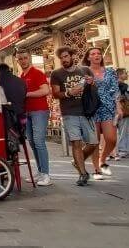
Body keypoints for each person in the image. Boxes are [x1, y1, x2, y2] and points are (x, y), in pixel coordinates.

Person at [50, 46, 99, 186]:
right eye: (61, 58)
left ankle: (77, 161)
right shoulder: (56, 74)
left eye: (66, 56)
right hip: (69, 113)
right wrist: (68, 93)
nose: (64, 60)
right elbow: (55, 94)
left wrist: (91, 83)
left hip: (86, 112)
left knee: (93, 143)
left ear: (72, 56)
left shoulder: (85, 70)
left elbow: (94, 89)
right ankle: (83, 174)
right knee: (76, 142)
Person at [82, 47, 122, 177]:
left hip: (108, 108)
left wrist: (118, 107)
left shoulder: (110, 71)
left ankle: (103, 159)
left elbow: (115, 90)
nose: (96, 55)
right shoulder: (84, 72)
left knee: (111, 139)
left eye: (99, 53)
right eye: (93, 54)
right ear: (88, 58)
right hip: (92, 109)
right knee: (95, 141)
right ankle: (96, 169)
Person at [16, 51, 53, 186]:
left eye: (25, 58)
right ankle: (40, 171)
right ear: (17, 61)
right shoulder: (21, 76)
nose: (23, 60)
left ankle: (46, 174)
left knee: (38, 141)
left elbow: (45, 90)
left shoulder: (37, 73)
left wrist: (27, 94)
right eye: (21, 58)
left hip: (39, 111)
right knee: (32, 142)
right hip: (27, 112)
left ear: (29, 59)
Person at [116, 68, 128, 159]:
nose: (127, 74)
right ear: (120, 75)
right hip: (124, 111)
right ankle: (123, 150)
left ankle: (123, 150)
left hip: (118, 111)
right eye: (125, 73)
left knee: (122, 131)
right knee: (124, 130)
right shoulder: (123, 86)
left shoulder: (115, 85)